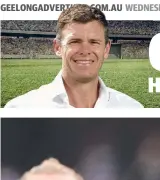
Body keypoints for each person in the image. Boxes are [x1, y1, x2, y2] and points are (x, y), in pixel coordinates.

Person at [4, 5, 142, 109]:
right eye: (75, 41)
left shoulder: (132, 109)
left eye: (94, 42)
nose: (85, 50)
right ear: (58, 47)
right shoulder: (20, 109)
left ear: (106, 49)